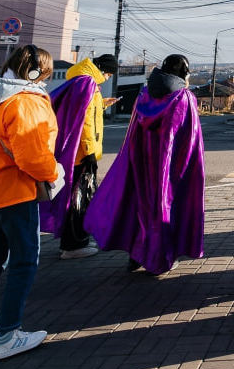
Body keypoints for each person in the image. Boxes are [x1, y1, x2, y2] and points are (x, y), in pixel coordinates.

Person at [0, 44, 63, 362]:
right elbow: (33, 155)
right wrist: (54, 173)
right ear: (35, 73)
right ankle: (8, 335)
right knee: (24, 261)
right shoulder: (25, 102)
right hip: (15, 194)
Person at [85, 54, 205, 275]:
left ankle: (136, 255)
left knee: (138, 204)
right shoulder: (183, 97)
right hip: (169, 167)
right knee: (164, 207)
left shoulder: (143, 94)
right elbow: (190, 139)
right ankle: (158, 257)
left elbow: (134, 132)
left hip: (140, 161)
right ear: (183, 75)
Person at [41, 53, 119, 259]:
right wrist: (89, 152)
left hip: (77, 154)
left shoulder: (79, 80)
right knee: (79, 199)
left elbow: (79, 111)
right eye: (109, 73)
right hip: (82, 155)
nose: (108, 77)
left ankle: (73, 242)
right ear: (103, 69)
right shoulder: (88, 83)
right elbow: (84, 121)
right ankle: (74, 245)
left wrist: (102, 104)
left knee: (76, 197)